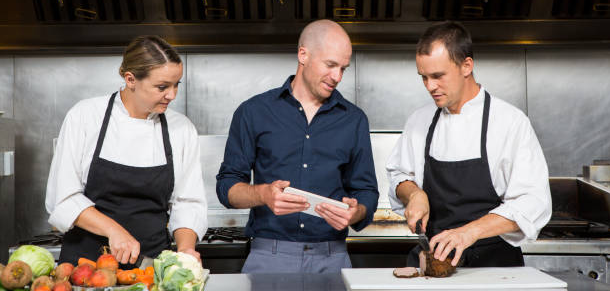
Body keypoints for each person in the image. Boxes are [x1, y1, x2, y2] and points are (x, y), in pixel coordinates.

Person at [216, 19, 379, 274]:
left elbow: (367, 191)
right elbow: (226, 187)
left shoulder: (354, 119)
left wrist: (356, 213)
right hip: (268, 256)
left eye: (343, 69)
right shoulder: (254, 111)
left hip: (332, 257)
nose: (337, 77)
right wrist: (263, 195)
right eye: (330, 65)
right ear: (303, 54)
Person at [386, 21, 551, 268]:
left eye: (438, 76)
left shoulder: (509, 122)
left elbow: (532, 202)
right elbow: (400, 174)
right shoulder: (419, 121)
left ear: (466, 65)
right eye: (424, 77)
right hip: (435, 264)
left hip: (495, 267)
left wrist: (468, 232)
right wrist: (414, 194)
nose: (430, 86)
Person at [46, 35, 207, 267]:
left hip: (152, 266)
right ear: (130, 79)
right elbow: (62, 198)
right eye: (162, 87)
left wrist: (186, 250)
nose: (172, 95)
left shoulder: (181, 128)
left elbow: (188, 202)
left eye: (176, 85)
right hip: (86, 268)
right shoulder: (85, 116)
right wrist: (114, 230)